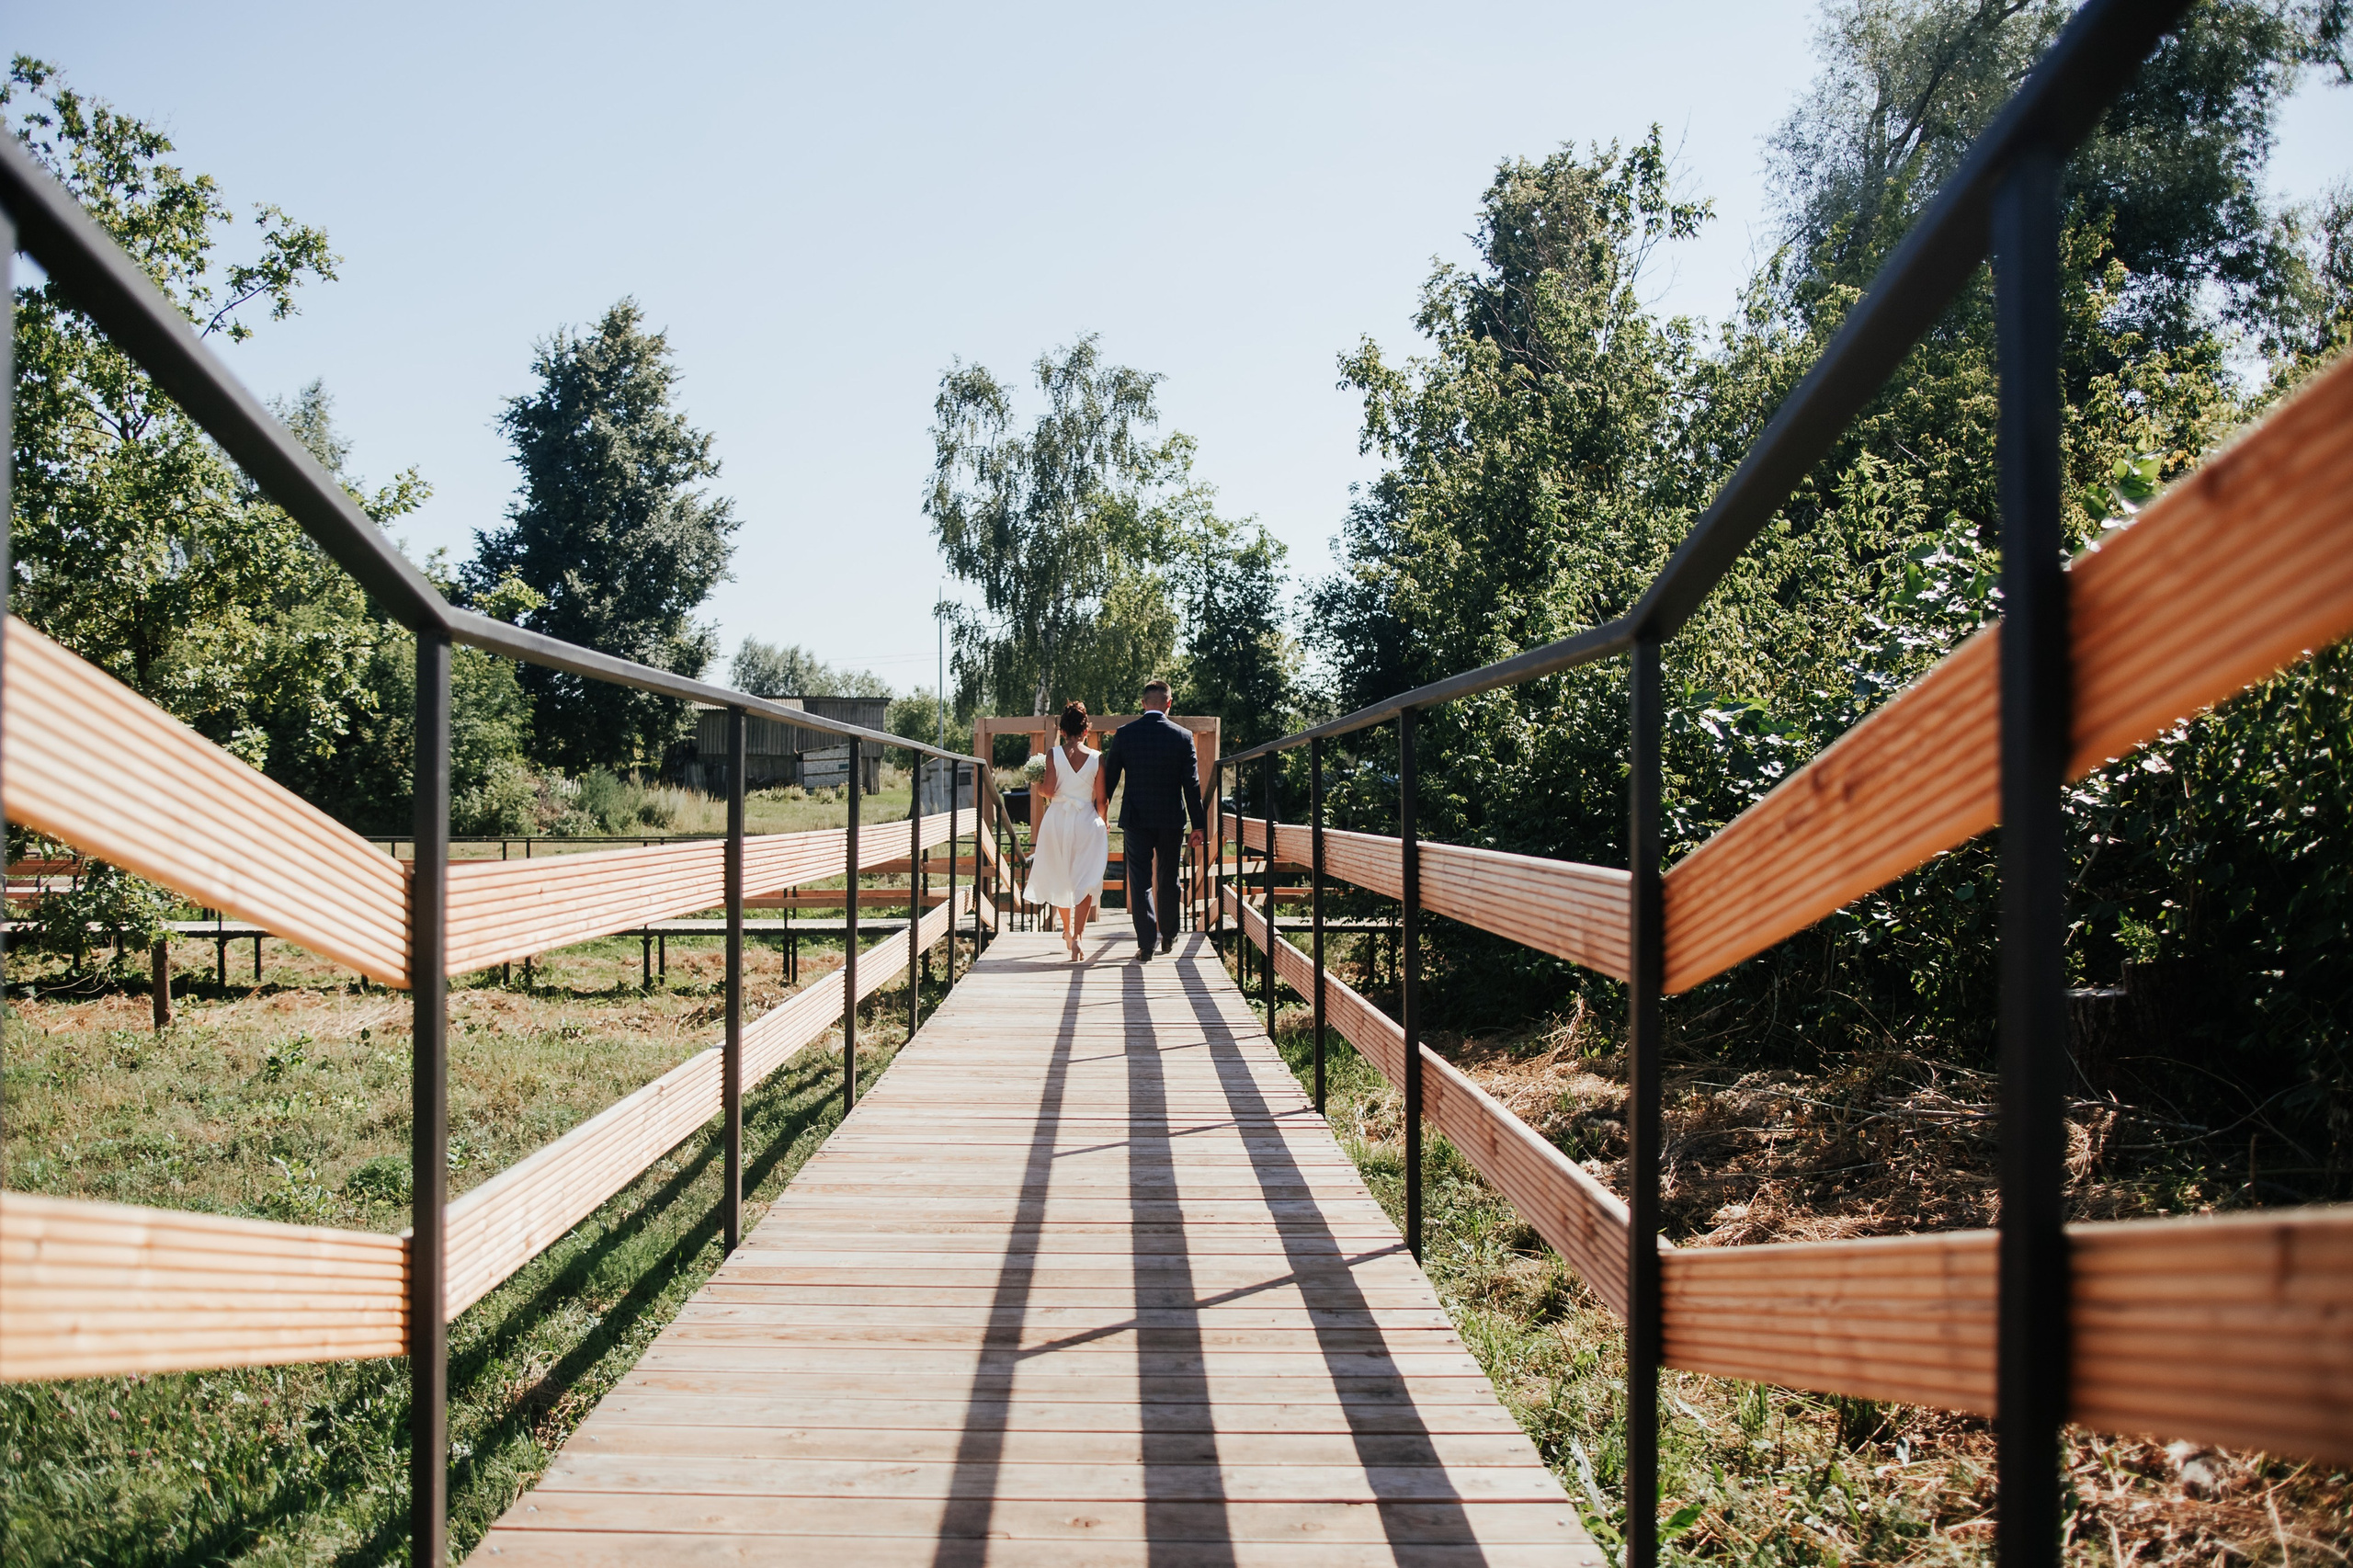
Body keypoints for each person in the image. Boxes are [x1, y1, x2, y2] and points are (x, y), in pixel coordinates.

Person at [1098, 678, 1206, 961]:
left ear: (1143, 704)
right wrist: (1199, 825)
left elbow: (1109, 780)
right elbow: (1192, 785)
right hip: (1171, 818)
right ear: (1169, 703)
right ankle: (1169, 935)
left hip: (1136, 818)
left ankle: (1146, 943)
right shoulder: (1183, 737)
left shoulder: (1125, 734)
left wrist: (1098, 813)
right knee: (1169, 878)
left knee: (1140, 880)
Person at [1021, 701, 1110, 961]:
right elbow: (1102, 800)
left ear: (1062, 731)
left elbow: (1048, 791)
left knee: (1060, 874)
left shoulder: (1053, 754)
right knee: (1085, 878)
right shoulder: (1097, 758)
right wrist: (1102, 821)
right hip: (1085, 819)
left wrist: (1039, 787)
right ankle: (1080, 937)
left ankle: (1068, 931)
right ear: (1086, 732)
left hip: (1057, 819)